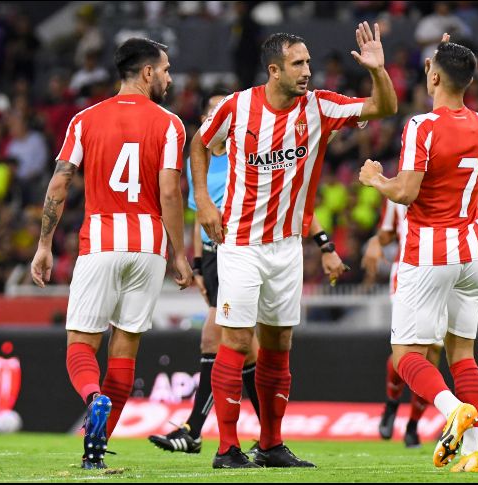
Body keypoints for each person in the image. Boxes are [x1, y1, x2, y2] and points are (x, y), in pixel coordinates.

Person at [190, 23, 397, 469]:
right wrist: (204, 201)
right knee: (236, 339)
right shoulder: (238, 106)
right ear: (274, 69)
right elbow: (199, 144)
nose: (308, 71)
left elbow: (384, 106)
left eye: (308, 62)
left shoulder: (320, 106)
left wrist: (378, 71)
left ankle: (270, 444)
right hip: (241, 243)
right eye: (298, 64)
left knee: (279, 344)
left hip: (287, 247)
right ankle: (227, 449)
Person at [149, 90, 347, 455]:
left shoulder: (249, 149)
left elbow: (292, 203)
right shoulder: (204, 166)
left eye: (219, 111)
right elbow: (198, 217)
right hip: (217, 258)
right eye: (210, 111)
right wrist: (196, 265)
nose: (215, 118)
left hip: (246, 248)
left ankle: (209, 430)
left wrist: (324, 244)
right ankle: (261, 436)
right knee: (239, 345)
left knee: (225, 341)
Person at [30, 38, 192, 470]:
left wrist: (45, 245)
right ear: (146, 73)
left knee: (81, 345)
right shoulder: (170, 124)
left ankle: (92, 398)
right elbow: (171, 192)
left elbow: (60, 183)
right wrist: (180, 254)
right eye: (165, 70)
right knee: (125, 351)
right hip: (149, 247)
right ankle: (94, 454)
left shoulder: (85, 120)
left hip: (100, 242)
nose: (170, 78)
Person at [359, 33, 478, 473]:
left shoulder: (422, 126)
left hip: (429, 249)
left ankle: (452, 409)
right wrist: (444, 55)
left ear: (433, 75)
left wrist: (376, 179)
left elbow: (407, 190)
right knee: (463, 355)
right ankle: (472, 453)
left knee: (406, 355)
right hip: (471, 251)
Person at [366, 200, 478, 449]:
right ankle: (393, 402)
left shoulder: (404, 184)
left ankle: (413, 425)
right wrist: (376, 241)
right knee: (420, 352)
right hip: (412, 271)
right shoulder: (463, 183)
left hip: (430, 265)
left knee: (427, 353)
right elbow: (387, 231)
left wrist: (376, 179)